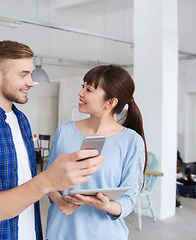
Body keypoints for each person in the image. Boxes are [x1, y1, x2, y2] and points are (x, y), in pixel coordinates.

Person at [0, 40, 104, 240]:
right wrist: (47, 180)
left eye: (31, 74)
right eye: (23, 74)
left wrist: (58, 199)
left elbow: (25, 183)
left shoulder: (21, 120)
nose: (31, 82)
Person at [45, 65, 147, 240]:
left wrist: (104, 205)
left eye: (89, 89)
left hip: (105, 234)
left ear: (111, 102)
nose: (81, 93)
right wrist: (60, 201)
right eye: (82, 86)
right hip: (60, 232)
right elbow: (48, 180)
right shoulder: (64, 132)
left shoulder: (131, 141)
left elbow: (129, 200)